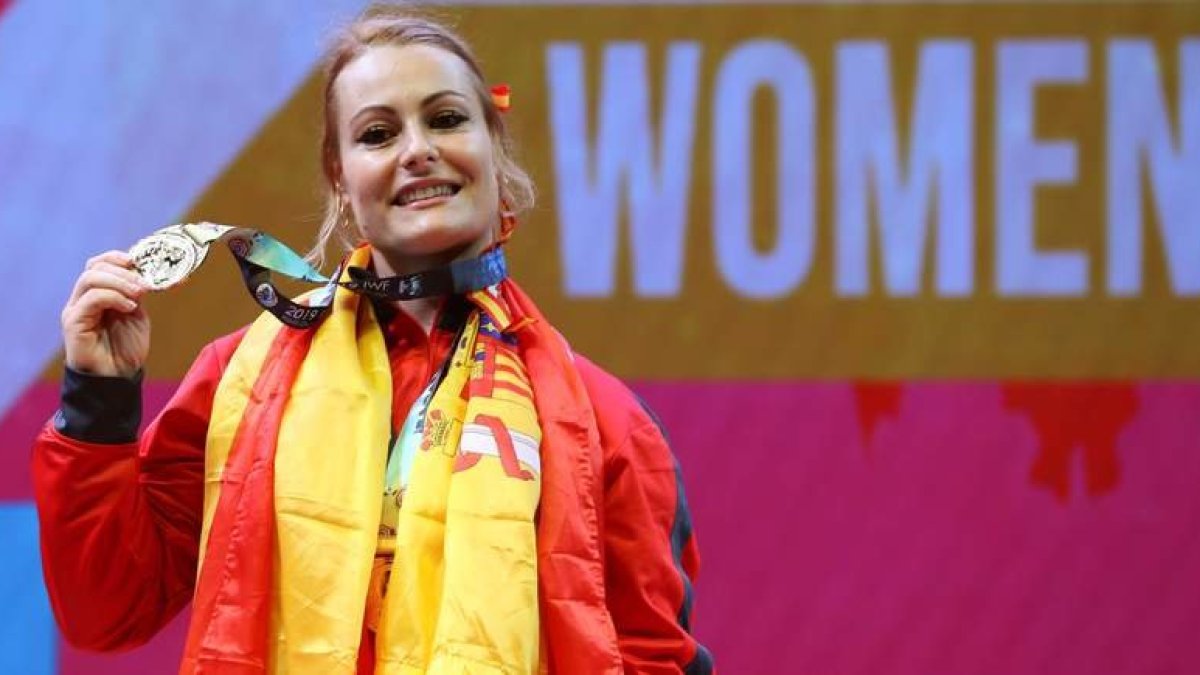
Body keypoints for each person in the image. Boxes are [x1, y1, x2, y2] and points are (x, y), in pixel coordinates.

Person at [31, 5, 713, 675]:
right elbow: (107, 609)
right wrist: (99, 402)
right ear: (340, 177)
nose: (418, 150)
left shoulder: (602, 421)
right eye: (379, 133)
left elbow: (653, 658)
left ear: (493, 150)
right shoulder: (240, 379)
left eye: (446, 120)